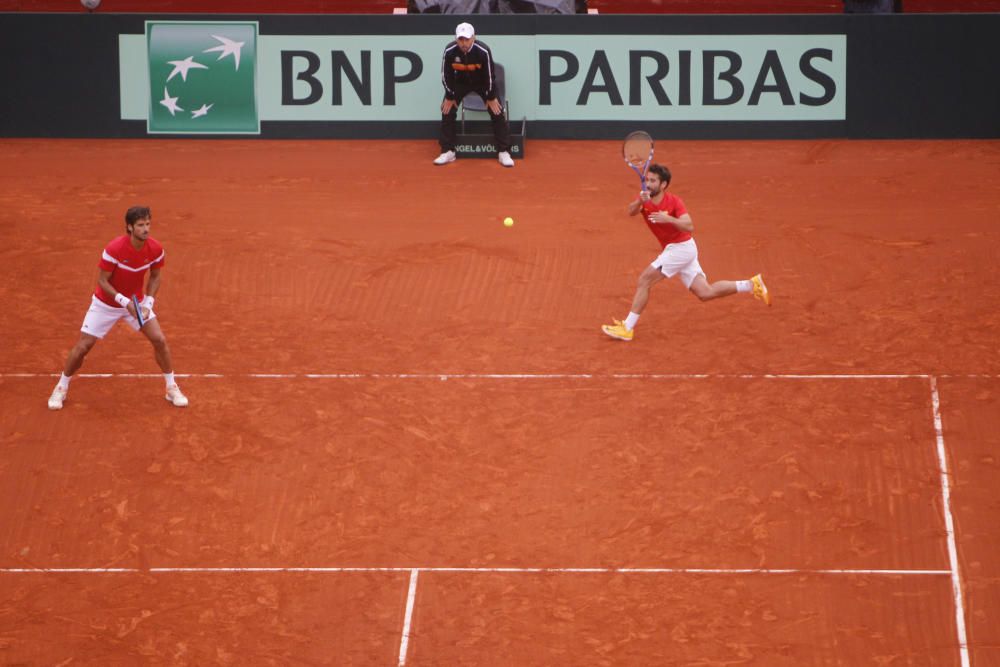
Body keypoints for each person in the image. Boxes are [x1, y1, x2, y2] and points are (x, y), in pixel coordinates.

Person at [601, 164, 771, 342]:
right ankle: (751, 285)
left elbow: (689, 226)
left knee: (645, 280)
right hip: (679, 249)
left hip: (681, 248)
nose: (648, 184)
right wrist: (639, 202)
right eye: (647, 180)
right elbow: (630, 212)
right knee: (705, 292)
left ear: (663, 184)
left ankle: (627, 328)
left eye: (653, 181)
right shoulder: (645, 198)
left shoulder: (674, 202)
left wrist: (668, 219)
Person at [47, 206, 188, 409]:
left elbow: (156, 276)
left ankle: (171, 387)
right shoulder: (114, 249)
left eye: (148, 224)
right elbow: (102, 281)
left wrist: (147, 303)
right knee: (82, 347)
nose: (146, 229)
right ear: (129, 227)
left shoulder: (156, 249)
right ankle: (61, 387)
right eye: (140, 225)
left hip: (136, 304)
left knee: (159, 340)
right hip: (106, 304)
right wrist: (125, 302)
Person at [433, 22, 514, 169]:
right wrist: (450, 96)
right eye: (461, 40)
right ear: (456, 39)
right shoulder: (450, 51)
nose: (464, 43)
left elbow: (490, 76)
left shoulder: (483, 50)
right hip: (460, 84)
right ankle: (448, 151)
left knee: (497, 110)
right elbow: (446, 76)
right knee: (447, 109)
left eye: (467, 39)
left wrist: (490, 97)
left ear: (474, 38)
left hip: (481, 83)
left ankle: (504, 151)